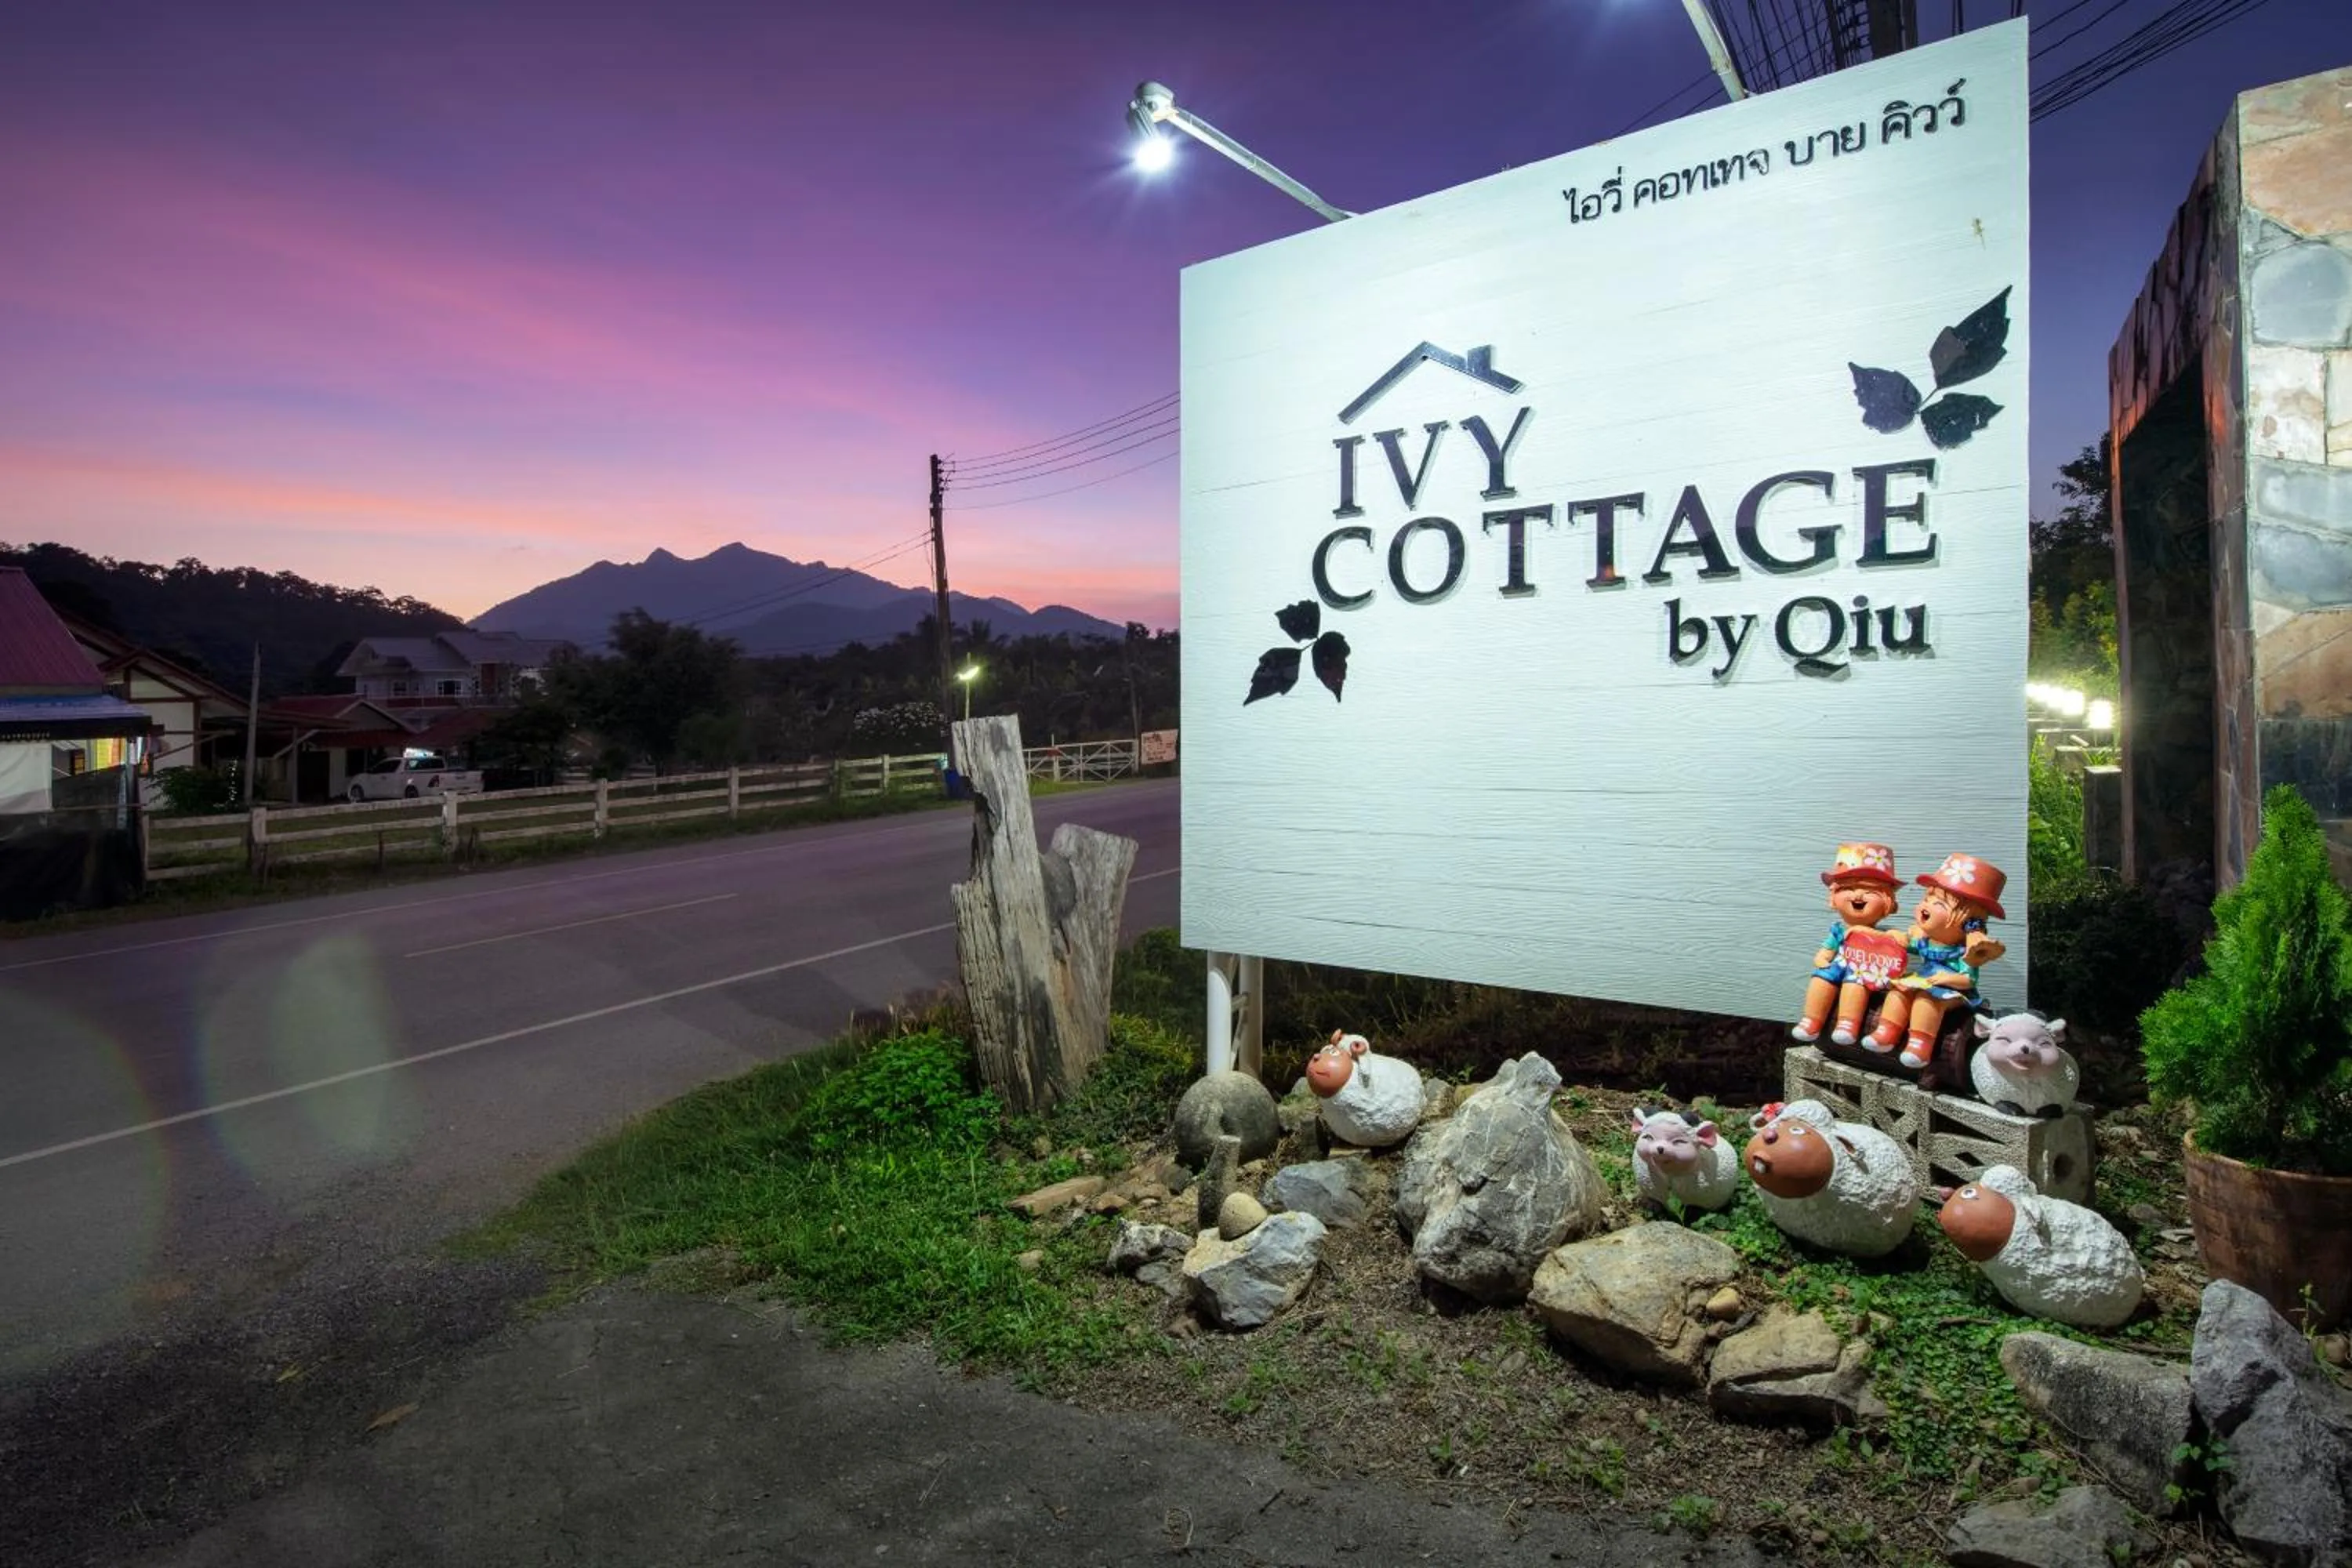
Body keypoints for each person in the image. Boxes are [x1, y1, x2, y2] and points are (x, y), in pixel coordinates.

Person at [1870, 853, 2009, 1069]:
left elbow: (1968, 980)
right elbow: (1909, 944)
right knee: (1899, 991)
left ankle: (1919, 1045)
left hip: (1952, 992)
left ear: (1966, 923)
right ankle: (1886, 1032)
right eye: (1927, 898)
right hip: (1924, 980)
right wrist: (1897, 938)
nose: (1926, 905)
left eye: (1939, 904)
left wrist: (1948, 978)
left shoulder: (1965, 952)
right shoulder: (1927, 941)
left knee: (1927, 1001)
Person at [1791, 842, 1908, 1048]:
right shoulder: (1838, 930)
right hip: (1837, 965)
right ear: (1834, 896)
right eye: (1849, 888)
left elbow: (1896, 948)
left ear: (1888, 902)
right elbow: (1827, 950)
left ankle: (1847, 1024)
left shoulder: (1884, 935)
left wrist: (1891, 936)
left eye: (1868, 890)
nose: (1857, 895)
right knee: (1821, 979)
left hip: (1863, 970)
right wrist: (1822, 958)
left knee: (1855, 984)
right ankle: (1812, 1020)